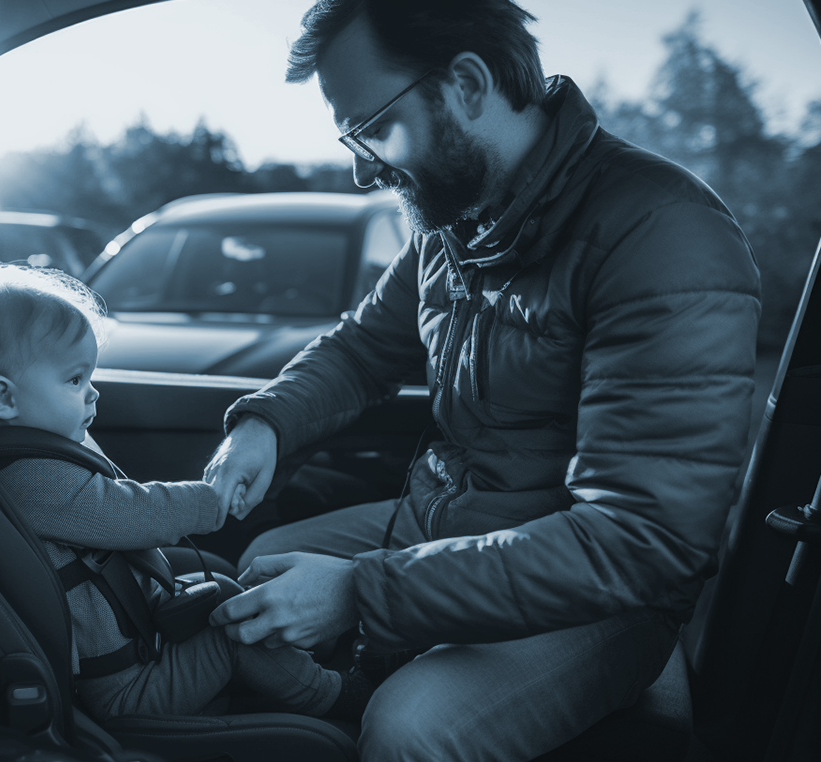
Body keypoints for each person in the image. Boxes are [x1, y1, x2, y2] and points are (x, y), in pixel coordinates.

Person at [204, 0, 762, 759]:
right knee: (258, 570)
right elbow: (364, 348)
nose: (362, 168)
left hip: (605, 593)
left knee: (411, 730)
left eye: (372, 127)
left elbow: (639, 541)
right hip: (455, 519)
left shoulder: (659, 231)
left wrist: (360, 591)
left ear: (467, 85)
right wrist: (265, 421)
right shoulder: (451, 221)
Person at [0, 264, 371, 723]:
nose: (93, 394)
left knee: (226, 593)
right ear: (5, 399)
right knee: (235, 635)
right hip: (125, 690)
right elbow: (129, 513)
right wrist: (213, 498)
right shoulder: (28, 479)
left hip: (139, 643)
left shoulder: (25, 454)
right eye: (74, 380)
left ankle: (316, 653)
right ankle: (334, 696)